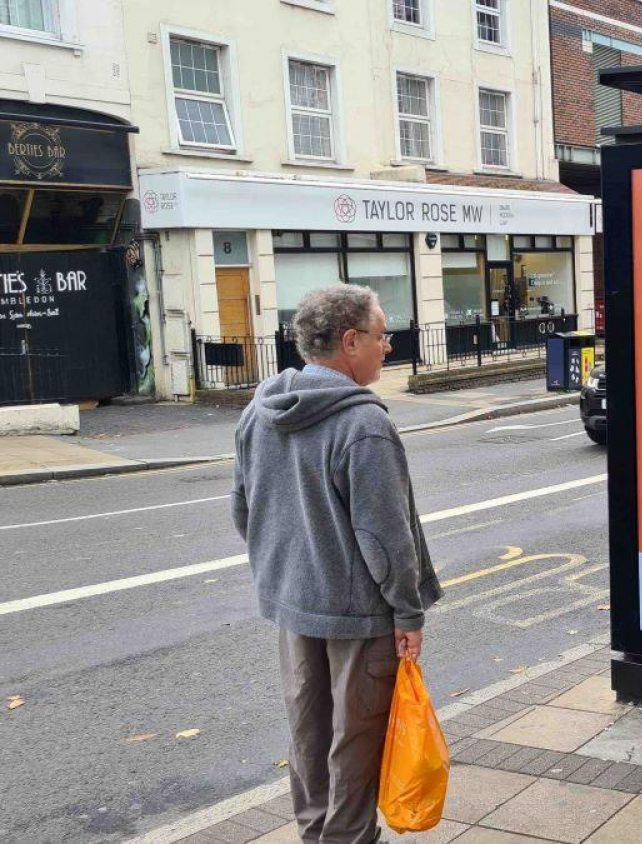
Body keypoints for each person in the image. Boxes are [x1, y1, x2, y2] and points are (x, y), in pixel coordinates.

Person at [232, 286, 442, 844]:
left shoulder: (259, 412)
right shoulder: (362, 425)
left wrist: (290, 567)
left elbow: (244, 510)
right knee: (356, 740)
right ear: (350, 342)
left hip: (292, 603)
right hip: (358, 614)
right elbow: (386, 537)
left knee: (308, 730)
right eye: (380, 336)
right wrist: (409, 613)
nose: (388, 346)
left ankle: (315, 832)